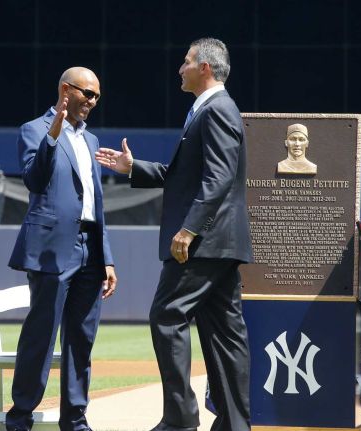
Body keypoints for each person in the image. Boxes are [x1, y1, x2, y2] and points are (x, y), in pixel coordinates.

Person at [96, 38, 252, 431]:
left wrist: (188, 229)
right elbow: (183, 176)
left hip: (203, 242)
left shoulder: (216, 110)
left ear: (205, 68)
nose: (179, 68)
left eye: (185, 61)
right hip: (220, 243)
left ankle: (180, 419)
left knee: (166, 315)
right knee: (223, 333)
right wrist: (134, 168)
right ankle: (235, 424)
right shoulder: (208, 109)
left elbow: (218, 179)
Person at [6, 67, 117, 431]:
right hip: (52, 250)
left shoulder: (92, 140)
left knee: (82, 340)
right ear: (66, 91)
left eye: (97, 96)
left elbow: (96, 204)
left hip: (90, 249)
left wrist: (108, 259)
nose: (93, 101)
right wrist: (53, 133)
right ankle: (20, 417)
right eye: (87, 93)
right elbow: (34, 181)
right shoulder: (34, 129)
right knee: (40, 336)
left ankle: (76, 420)